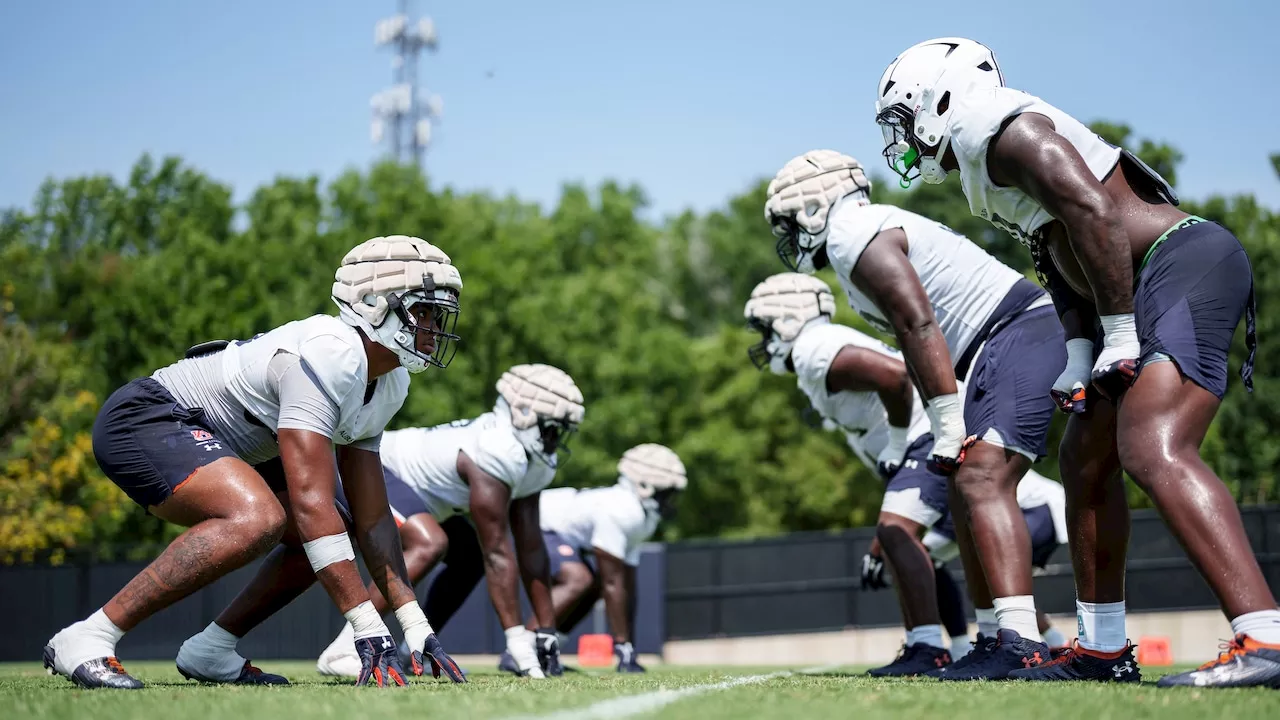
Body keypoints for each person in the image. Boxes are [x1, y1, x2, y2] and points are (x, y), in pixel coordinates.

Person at [874, 37, 1279, 687]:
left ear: (940, 98)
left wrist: (1120, 334)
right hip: (1132, 292)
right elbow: (1062, 254)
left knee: (1151, 444)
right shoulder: (988, 161)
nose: (903, 142)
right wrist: (1082, 352)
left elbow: (1094, 210)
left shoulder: (1003, 128)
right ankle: (1102, 649)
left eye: (902, 119)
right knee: (1083, 459)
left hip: (1178, 264)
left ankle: (1266, 636)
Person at [42, 235, 466, 689]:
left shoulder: (390, 383)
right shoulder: (329, 351)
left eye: (437, 314)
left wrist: (414, 621)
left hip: (233, 442)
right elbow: (309, 502)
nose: (432, 327)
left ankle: (212, 649)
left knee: (329, 529)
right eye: (422, 310)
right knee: (259, 518)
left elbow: (374, 518)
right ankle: (88, 636)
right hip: (150, 416)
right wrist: (366, 626)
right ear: (373, 305)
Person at [766, 151, 1067, 680]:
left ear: (814, 207)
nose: (790, 235)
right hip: (992, 346)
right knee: (963, 488)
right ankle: (996, 638)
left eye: (791, 221)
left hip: (1012, 331)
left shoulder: (850, 234)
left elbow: (916, 325)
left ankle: (1020, 643)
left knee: (978, 478)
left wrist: (942, 424)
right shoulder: (858, 236)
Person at [305, 363, 583, 680]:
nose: (553, 441)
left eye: (560, 432)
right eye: (550, 430)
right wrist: (518, 639)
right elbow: (498, 550)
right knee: (431, 542)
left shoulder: (531, 462)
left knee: (469, 558)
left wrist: (545, 629)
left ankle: (416, 649)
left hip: (423, 498)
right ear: (521, 413)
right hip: (379, 469)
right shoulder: (497, 448)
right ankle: (346, 646)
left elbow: (531, 547)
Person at [744, 271, 954, 676]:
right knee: (897, 539)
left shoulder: (812, 348)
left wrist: (895, 443)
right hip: (924, 436)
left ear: (786, 321)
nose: (762, 339)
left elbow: (895, 377)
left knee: (897, 534)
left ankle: (930, 647)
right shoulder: (819, 348)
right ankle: (937, 645)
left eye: (765, 328)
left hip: (925, 435)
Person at [532, 443, 688, 673]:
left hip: (558, 531)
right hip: (536, 520)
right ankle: (523, 649)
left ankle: (547, 650)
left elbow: (626, 585)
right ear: (644, 486)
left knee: (594, 586)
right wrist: (623, 646)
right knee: (579, 579)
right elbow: (613, 584)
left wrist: (629, 647)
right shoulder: (623, 509)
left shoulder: (644, 516)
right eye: (666, 493)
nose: (669, 500)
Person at [919, 469, 1072, 667]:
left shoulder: (939, 471)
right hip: (1038, 507)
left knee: (991, 584)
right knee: (990, 587)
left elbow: (956, 517)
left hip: (1039, 506)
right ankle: (1056, 643)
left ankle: (1017, 649)